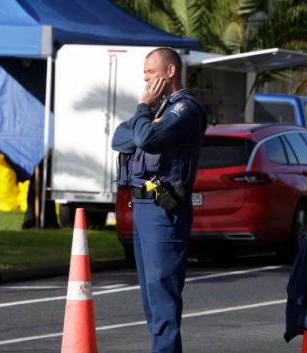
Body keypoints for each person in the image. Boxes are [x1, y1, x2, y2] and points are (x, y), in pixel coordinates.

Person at [111, 48, 208, 353]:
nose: (145, 78)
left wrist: (143, 109)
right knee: (151, 301)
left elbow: (143, 139)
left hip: (164, 211)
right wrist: (147, 118)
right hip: (142, 208)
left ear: (169, 71)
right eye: (144, 73)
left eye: (150, 72)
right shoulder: (158, 107)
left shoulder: (185, 110)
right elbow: (119, 137)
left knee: (163, 297)